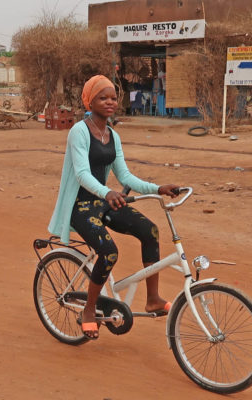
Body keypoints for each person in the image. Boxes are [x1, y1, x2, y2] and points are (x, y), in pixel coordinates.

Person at [48, 75, 180, 340]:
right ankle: (89, 309)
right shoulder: (79, 131)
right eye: (102, 97)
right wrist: (106, 192)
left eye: (112, 97)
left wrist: (157, 188)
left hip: (103, 201)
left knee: (150, 230)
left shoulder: (113, 135)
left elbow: (126, 177)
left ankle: (152, 298)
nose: (109, 102)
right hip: (81, 205)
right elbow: (82, 174)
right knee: (108, 251)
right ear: (89, 101)